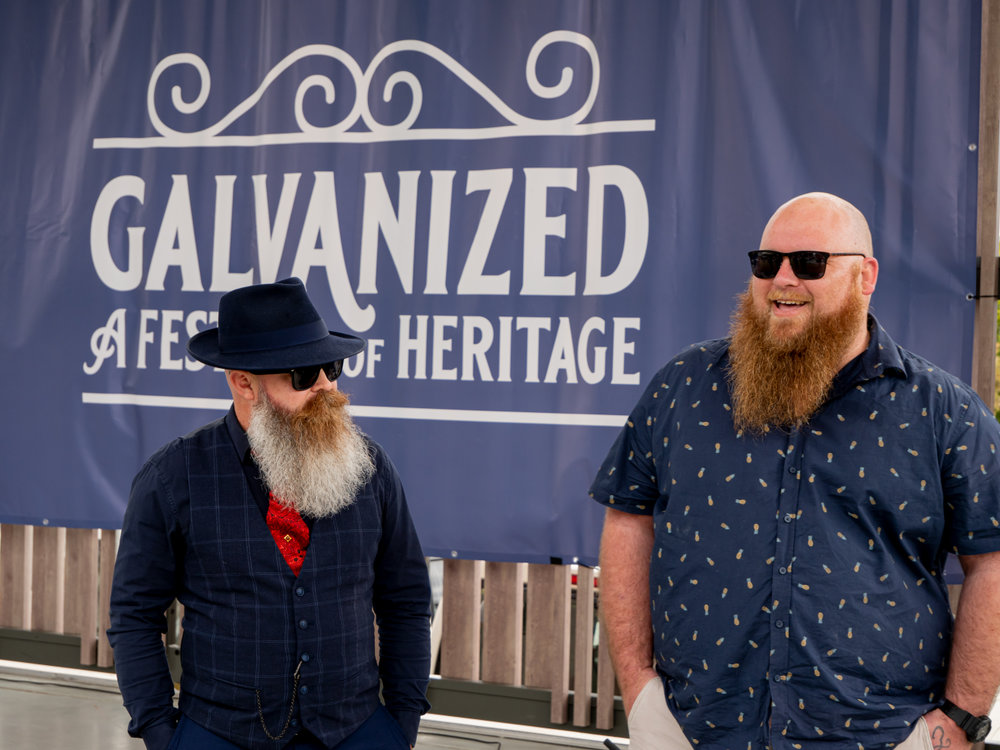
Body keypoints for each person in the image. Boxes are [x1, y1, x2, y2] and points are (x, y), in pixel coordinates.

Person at [590, 193, 1000, 749]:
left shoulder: (942, 411)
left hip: (879, 735)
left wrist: (961, 718)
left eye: (809, 262)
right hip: (694, 731)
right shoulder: (684, 386)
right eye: (766, 262)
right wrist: (639, 688)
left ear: (865, 276)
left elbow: (992, 561)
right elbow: (628, 519)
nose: (782, 279)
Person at [108, 277, 432, 750]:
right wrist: (160, 732)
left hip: (357, 728)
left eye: (332, 367)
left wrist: (402, 722)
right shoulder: (173, 477)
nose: (326, 387)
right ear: (243, 382)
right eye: (302, 375)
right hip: (219, 732)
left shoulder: (372, 468)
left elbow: (406, 600)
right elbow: (134, 614)